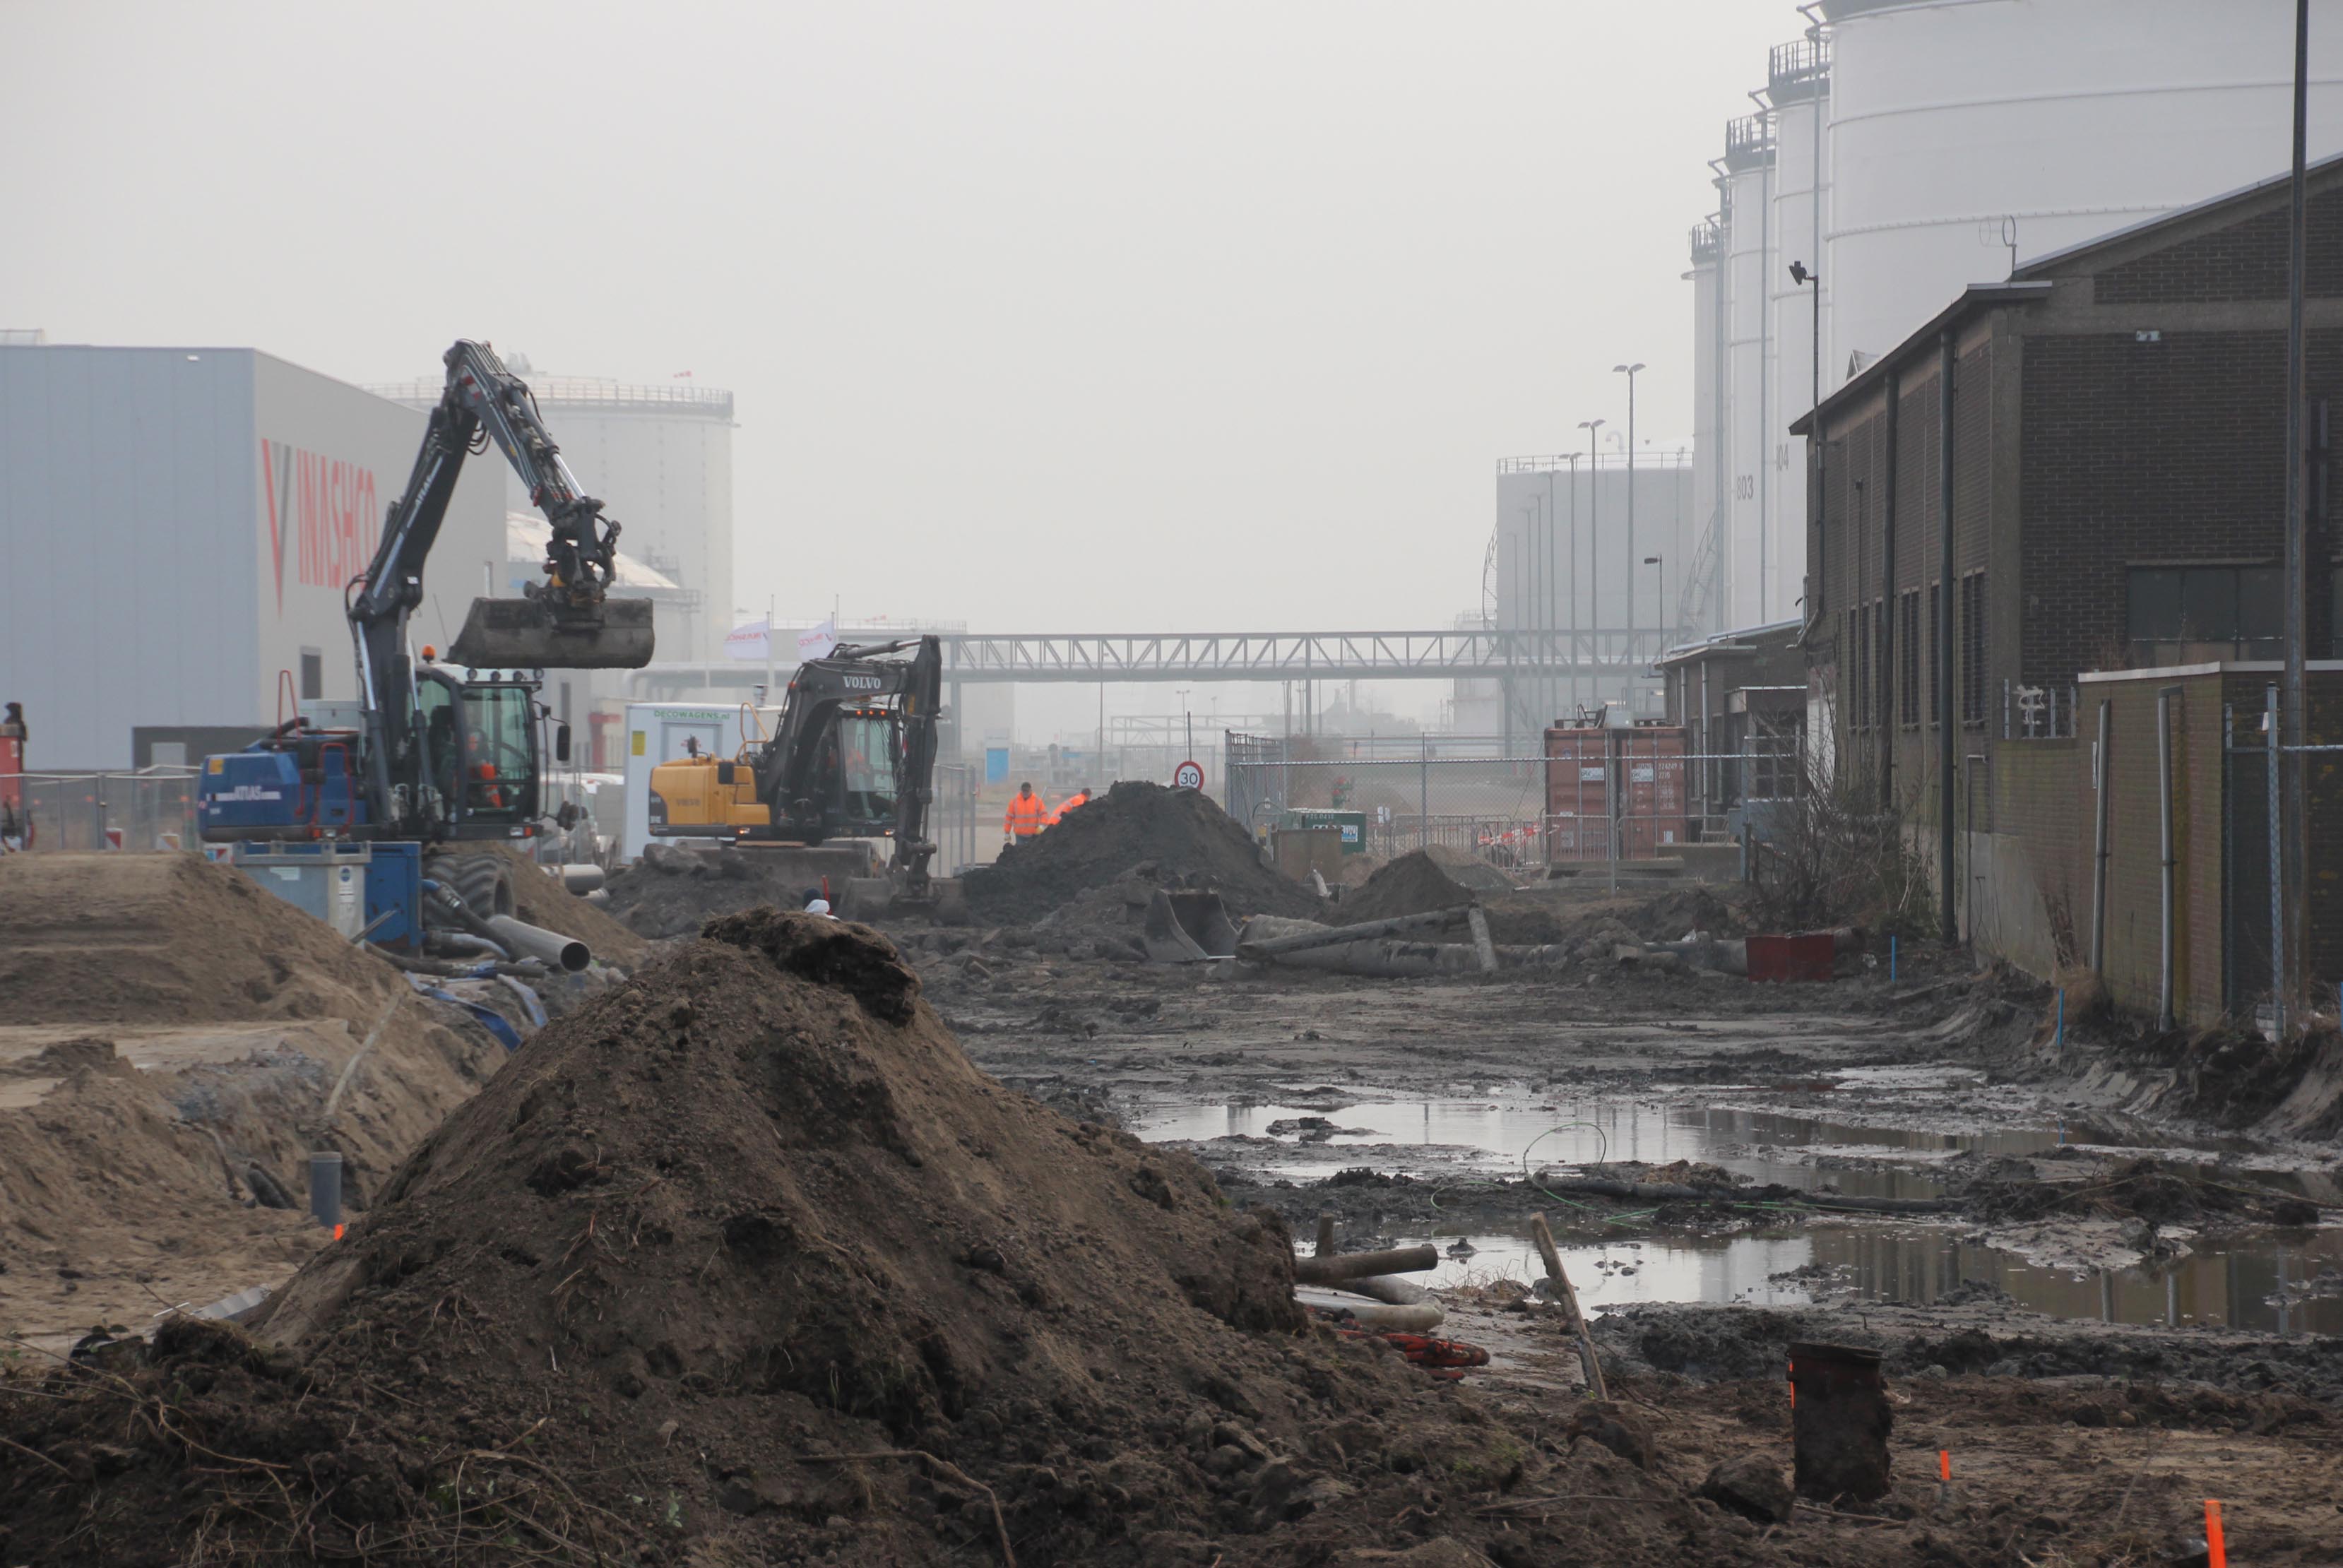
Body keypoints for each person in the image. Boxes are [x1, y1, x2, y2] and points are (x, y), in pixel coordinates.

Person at [1002, 780, 1048, 845]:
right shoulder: (1014, 802)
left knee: (1032, 854)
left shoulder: (1037, 801)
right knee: (1020, 854)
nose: (1025, 793)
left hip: (1033, 835)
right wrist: (1007, 832)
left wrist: (1042, 826)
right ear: (1021, 791)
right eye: (1024, 791)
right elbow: (1008, 818)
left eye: (1027, 791)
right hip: (1020, 836)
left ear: (1031, 790)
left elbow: (1044, 814)